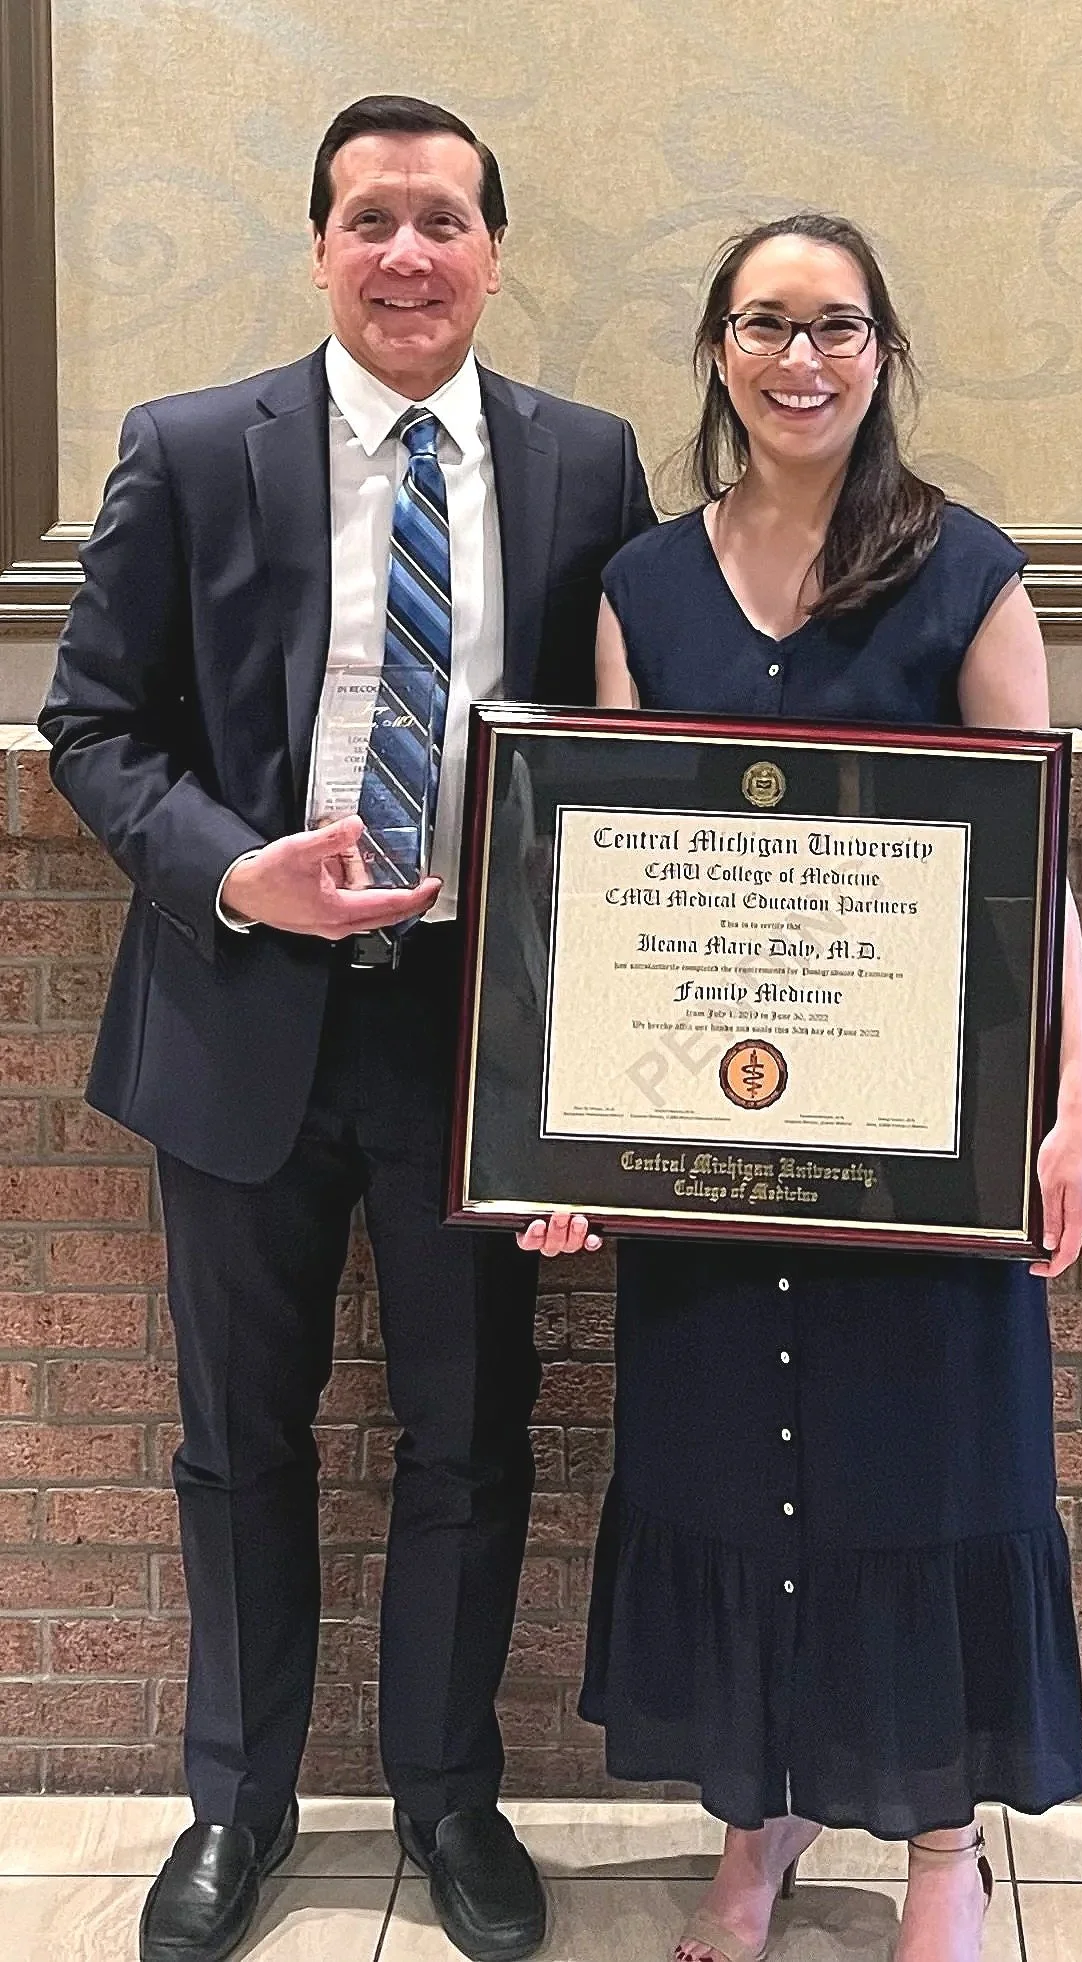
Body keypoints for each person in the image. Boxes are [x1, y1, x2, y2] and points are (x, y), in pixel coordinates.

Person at [40, 94, 654, 1962]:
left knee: (474, 1439)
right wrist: (238, 872)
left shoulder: (583, 461)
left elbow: (624, 766)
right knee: (242, 1440)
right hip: (243, 1022)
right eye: (372, 218)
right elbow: (93, 726)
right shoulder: (188, 449)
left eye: (445, 220)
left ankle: (453, 1798)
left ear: (493, 250)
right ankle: (235, 1800)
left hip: (472, 1040)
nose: (409, 253)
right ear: (318, 243)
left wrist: (603, 1082)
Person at [520, 214, 1082, 1962]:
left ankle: (941, 1852)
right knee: (729, 1481)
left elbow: (1036, 855)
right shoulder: (639, 588)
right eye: (766, 324)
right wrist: (563, 1132)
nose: (802, 357)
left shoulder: (970, 569)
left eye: (836, 327)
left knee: (923, 1476)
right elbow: (617, 871)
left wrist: (1076, 1102)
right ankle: (751, 1836)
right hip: (713, 1151)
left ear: (881, 352)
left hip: (923, 1149)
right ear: (717, 349)